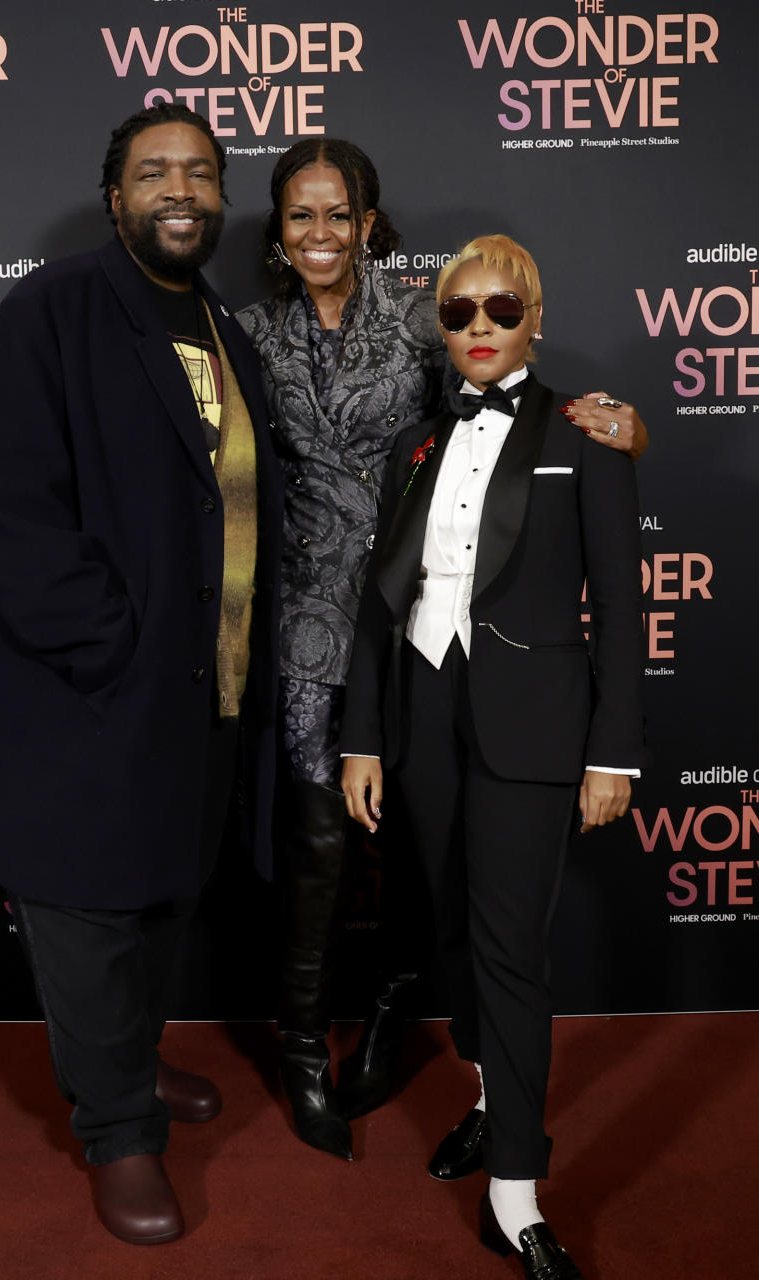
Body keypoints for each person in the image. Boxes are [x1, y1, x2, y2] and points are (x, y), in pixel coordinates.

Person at [238, 140, 649, 1162]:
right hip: (306, 616)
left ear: (371, 223)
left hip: (427, 613)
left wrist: (622, 434)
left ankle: (401, 1018)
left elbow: (517, 408)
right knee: (325, 834)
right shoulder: (247, 335)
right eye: (301, 215)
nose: (323, 232)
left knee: (454, 873)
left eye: (341, 213)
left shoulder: (429, 319)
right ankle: (302, 1044)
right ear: (279, 231)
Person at [0, 103, 283, 1246]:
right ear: (115, 196)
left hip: (204, 692)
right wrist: (113, 645)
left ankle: (131, 1061)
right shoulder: (54, 310)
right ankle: (118, 1127)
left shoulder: (223, 324)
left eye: (200, 171)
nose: (179, 189)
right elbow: (6, 510)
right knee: (87, 908)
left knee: (161, 894)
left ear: (223, 198)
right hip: (90, 694)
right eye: (155, 172)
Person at [341, 234, 646, 1279]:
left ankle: (514, 1189)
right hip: (423, 720)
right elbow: (382, 606)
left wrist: (616, 752)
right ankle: (487, 1098)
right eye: (460, 311)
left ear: (535, 317)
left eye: (500, 309)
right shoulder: (413, 447)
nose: (478, 327)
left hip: (536, 730)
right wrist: (366, 736)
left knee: (511, 948)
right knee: (456, 935)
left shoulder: (589, 434)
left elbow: (623, 605)